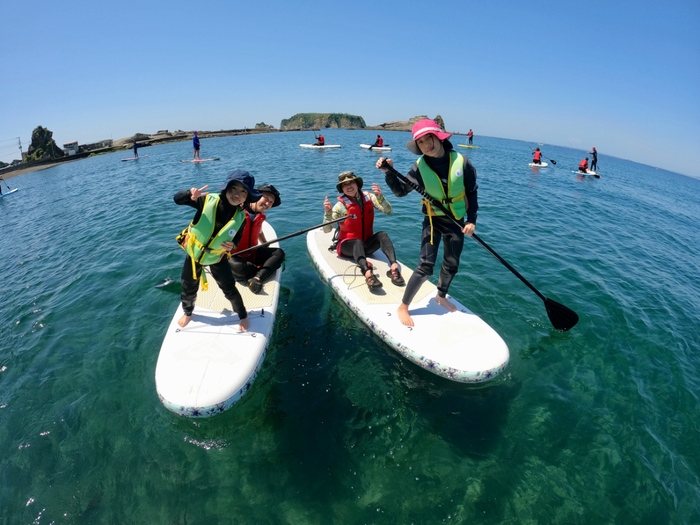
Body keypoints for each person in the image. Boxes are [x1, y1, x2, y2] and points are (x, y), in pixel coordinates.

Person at [376, 118, 478, 327]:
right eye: (420, 142)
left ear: (438, 136)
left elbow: (472, 193)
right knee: (426, 266)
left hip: (457, 221)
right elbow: (400, 192)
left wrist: (472, 221)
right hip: (432, 221)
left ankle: (441, 296)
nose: (426, 145)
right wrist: (389, 173)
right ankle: (403, 305)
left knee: (452, 264)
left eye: (429, 138)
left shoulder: (463, 163)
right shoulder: (419, 168)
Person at [173, 169, 262, 331]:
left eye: (243, 192)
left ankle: (242, 315)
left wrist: (232, 246)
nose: (237, 194)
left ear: (247, 197)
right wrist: (188, 195)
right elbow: (177, 199)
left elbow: (237, 237)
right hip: (194, 253)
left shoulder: (241, 217)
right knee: (188, 286)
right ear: (226, 188)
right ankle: (188, 312)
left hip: (217, 256)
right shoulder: (206, 200)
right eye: (233, 188)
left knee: (228, 287)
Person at [323, 171, 405, 290]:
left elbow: (388, 211)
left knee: (383, 234)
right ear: (342, 188)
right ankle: (367, 273)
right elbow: (326, 229)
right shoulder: (340, 206)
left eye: (351, 182)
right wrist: (328, 213)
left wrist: (380, 197)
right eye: (345, 184)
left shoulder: (369, 197)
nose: (349, 186)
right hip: (346, 246)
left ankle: (394, 267)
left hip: (366, 245)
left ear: (357, 184)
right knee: (357, 242)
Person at [229, 184, 285, 294]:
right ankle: (261, 271)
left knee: (279, 253)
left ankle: (256, 278)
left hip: (252, 253)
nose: (268, 203)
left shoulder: (258, 216)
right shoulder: (235, 212)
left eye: (271, 202)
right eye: (266, 198)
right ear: (255, 195)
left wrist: (265, 244)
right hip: (234, 256)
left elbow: (258, 231)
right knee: (240, 267)